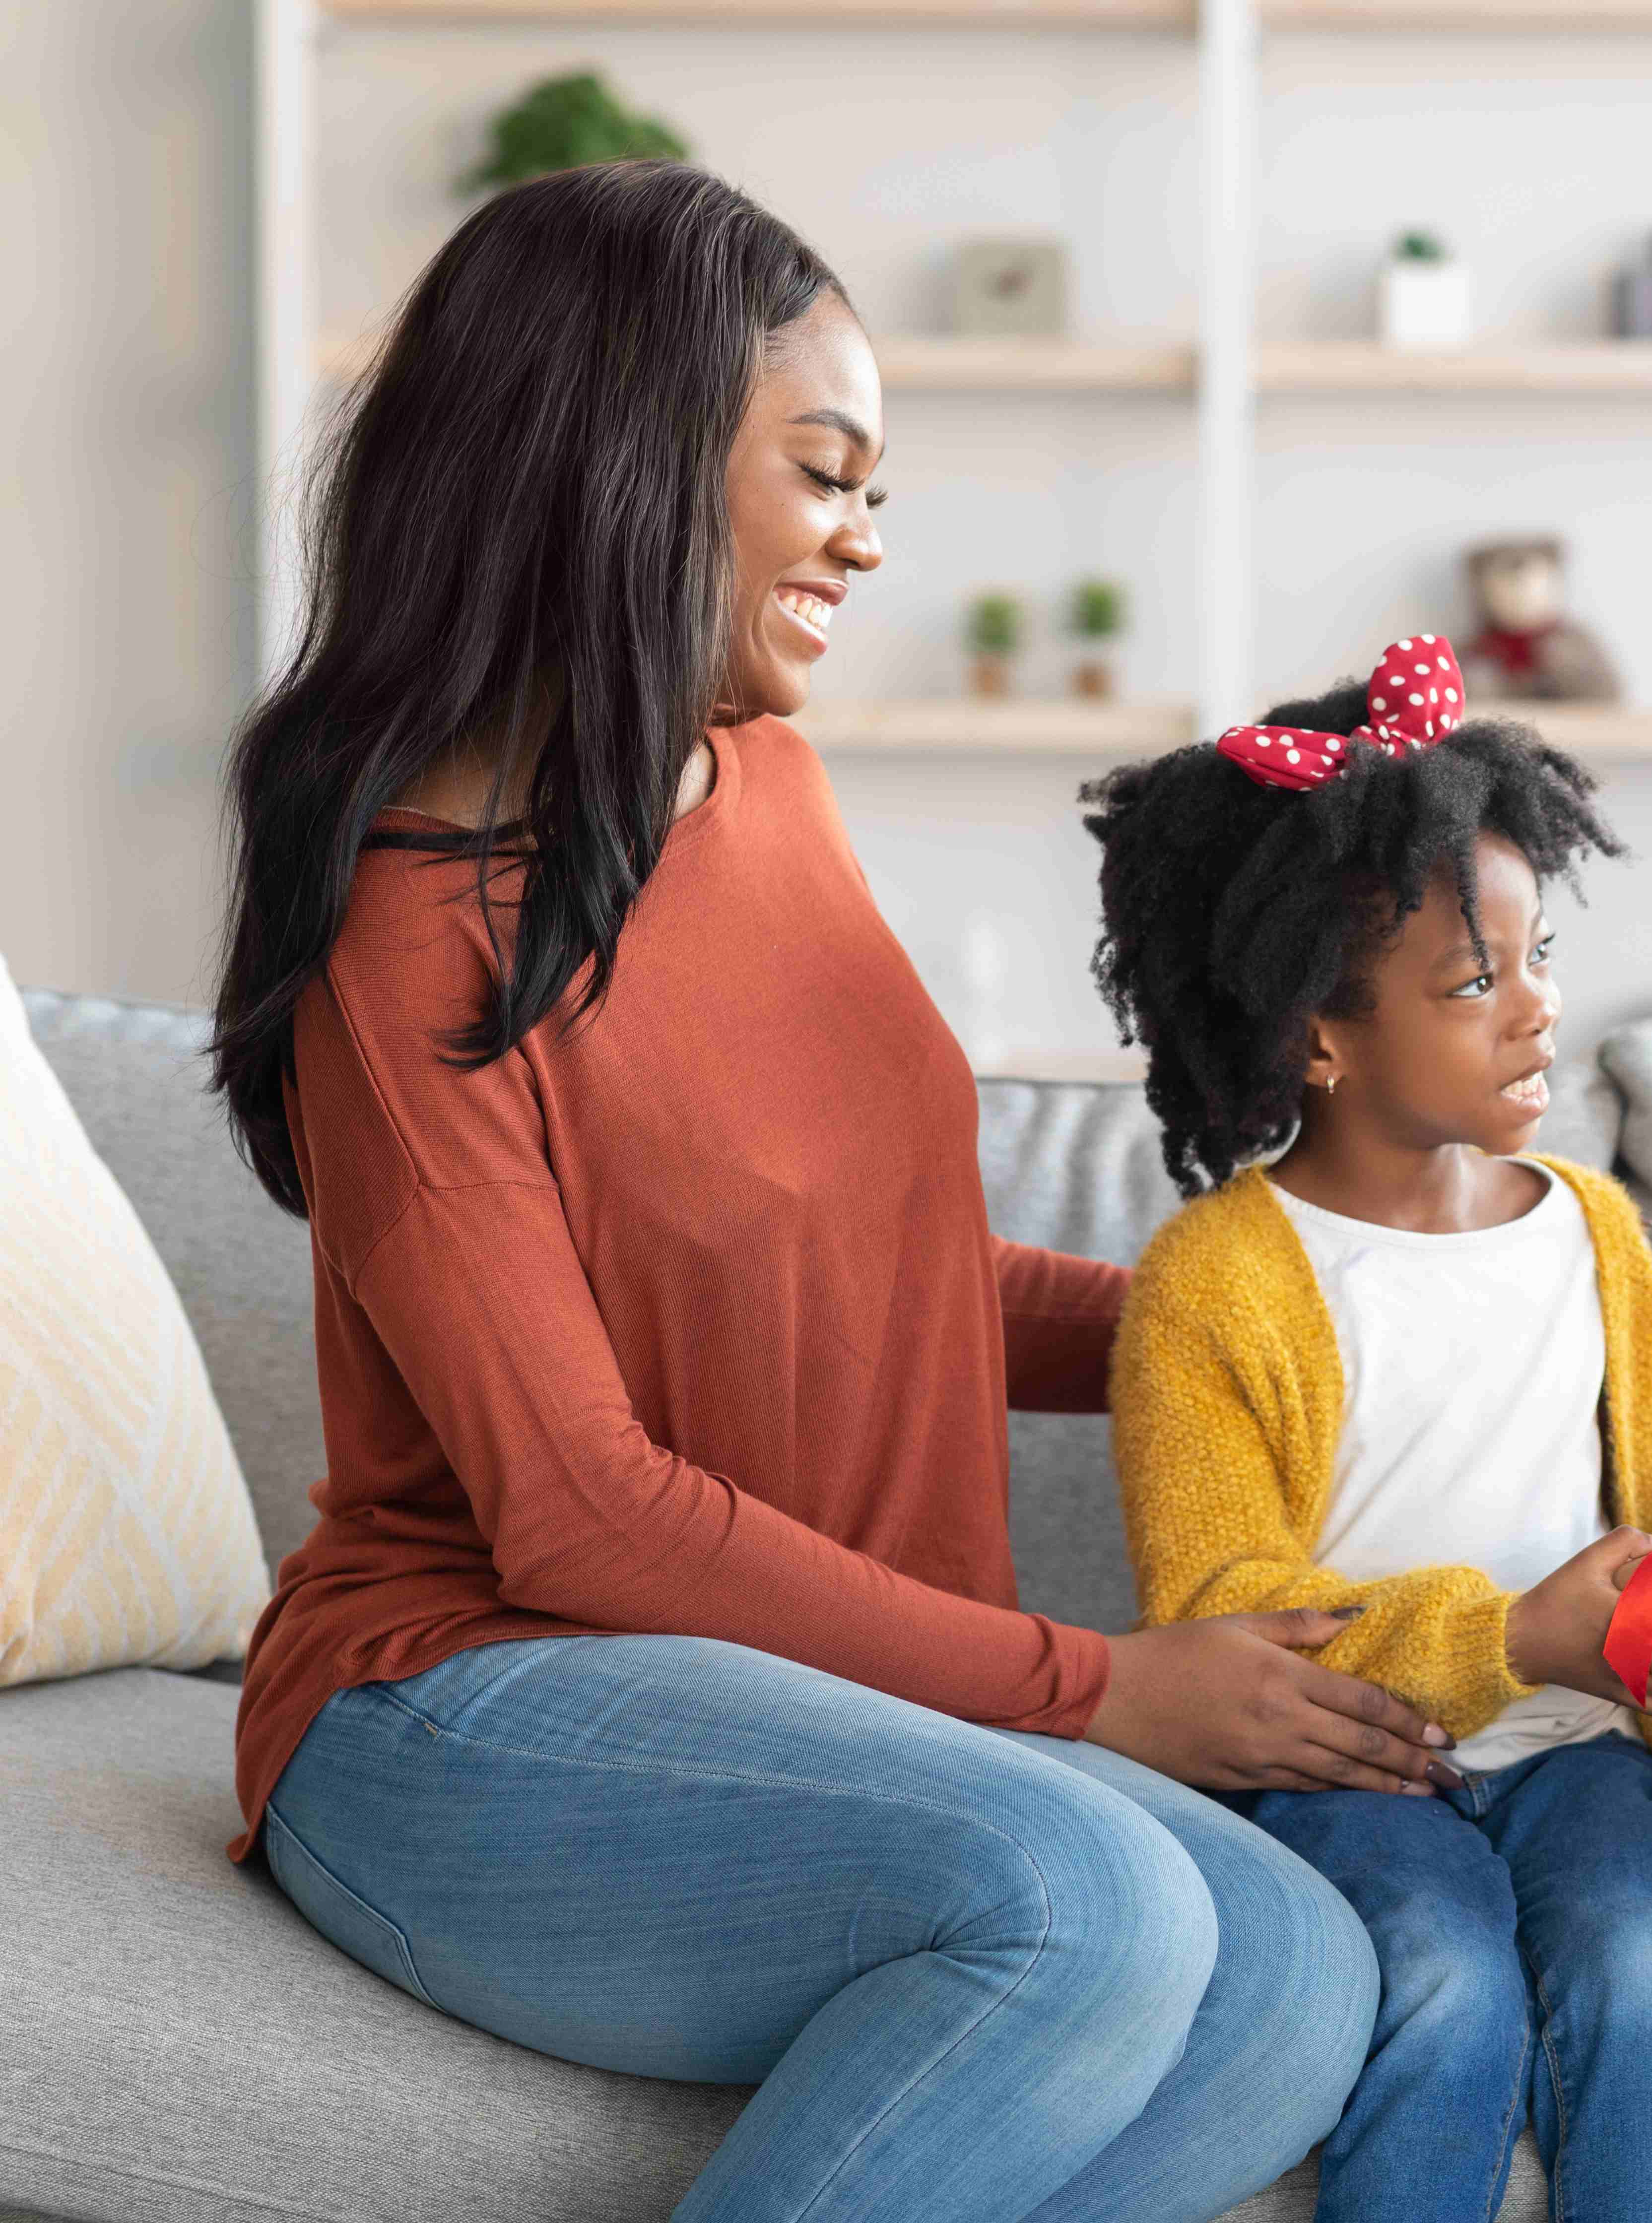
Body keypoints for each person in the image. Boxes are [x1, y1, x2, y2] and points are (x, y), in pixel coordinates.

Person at [210, 162, 1438, 2223]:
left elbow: (878, 1271)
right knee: (1090, 1905)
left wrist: (1257, 1315)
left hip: (830, 1710)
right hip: (450, 1708)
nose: (869, 535)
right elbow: (576, 1506)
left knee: (1303, 1978)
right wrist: (1098, 1683)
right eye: (825, 470)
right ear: (629, 463)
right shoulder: (406, 936)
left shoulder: (760, 779)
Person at [1088, 639, 1652, 2223]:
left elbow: (1635, 1476)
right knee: (1445, 1988)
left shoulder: (1592, 1226)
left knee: (1640, 1979)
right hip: (1360, 1770)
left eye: (1540, 954)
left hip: (1578, 1756)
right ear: (1321, 1034)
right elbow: (1222, 1613)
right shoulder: (1218, 1282)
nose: (1539, 1011)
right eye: (1474, 982)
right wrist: (1509, 1634)